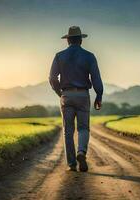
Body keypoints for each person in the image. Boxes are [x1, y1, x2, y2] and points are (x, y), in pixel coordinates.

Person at [49, 26, 103, 172]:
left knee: (68, 130)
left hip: (66, 94)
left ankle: (72, 164)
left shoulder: (59, 56)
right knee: (83, 128)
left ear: (67, 40)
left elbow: (52, 78)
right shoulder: (89, 56)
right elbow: (96, 77)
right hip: (83, 94)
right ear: (80, 40)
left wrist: (60, 92)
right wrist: (99, 95)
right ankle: (81, 152)